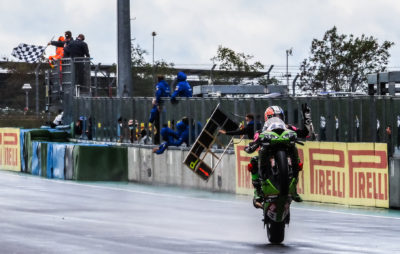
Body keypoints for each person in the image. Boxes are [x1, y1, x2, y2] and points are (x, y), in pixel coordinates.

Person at [245, 105, 312, 207]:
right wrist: (252, 146)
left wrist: (307, 117)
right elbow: (255, 141)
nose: (277, 119)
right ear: (267, 118)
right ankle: (258, 191)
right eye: (274, 117)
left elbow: (307, 134)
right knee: (254, 161)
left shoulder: (288, 128)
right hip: (266, 155)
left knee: (297, 157)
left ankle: (293, 188)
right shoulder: (260, 131)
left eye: (279, 117)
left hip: (285, 151)